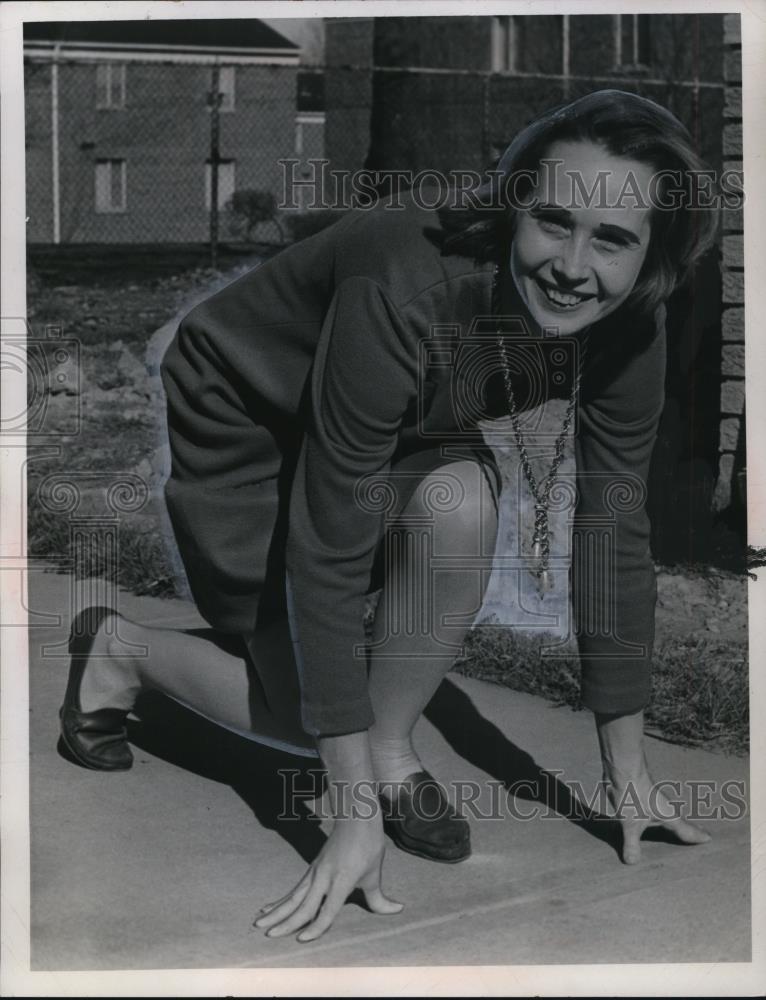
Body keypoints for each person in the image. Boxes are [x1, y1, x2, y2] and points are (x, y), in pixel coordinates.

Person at [59, 90, 718, 943]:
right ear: (515, 205)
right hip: (249, 411)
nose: (573, 266)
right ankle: (120, 652)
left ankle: (393, 745)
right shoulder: (402, 277)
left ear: (652, 257)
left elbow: (613, 527)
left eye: (615, 240)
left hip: (397, 410)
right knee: (306, 722)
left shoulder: (633, 321)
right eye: (554, 221)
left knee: (465, 500)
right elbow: (328, 544)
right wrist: (351, 815)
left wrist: (626, 767)